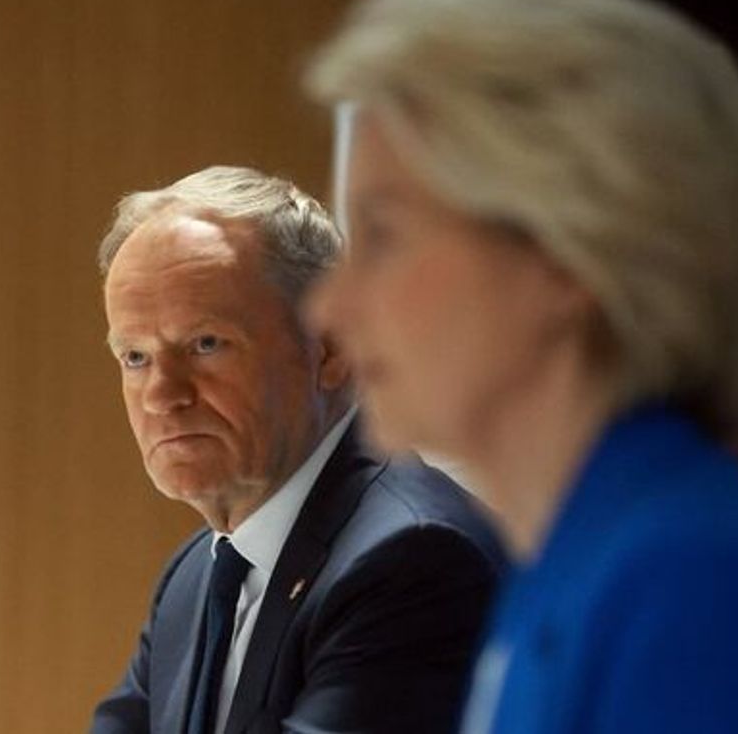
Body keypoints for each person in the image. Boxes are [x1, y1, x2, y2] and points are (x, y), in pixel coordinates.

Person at [303, 0, 738, 733]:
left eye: (384, 235)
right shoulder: (572, 560)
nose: (328, 308)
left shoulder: (688, 582)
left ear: (567, 253)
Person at [89, 166, 505, 734]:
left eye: (206, 344)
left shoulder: (413, 559)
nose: (162, 395)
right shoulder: (193, 578)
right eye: (135, 357)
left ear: (330, 350)